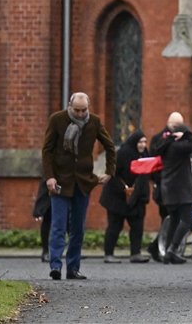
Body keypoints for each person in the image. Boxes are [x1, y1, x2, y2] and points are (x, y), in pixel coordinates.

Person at [42, 92, 116, 280]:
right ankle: (56, 266)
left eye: (84, 110)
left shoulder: (95, 122)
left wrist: (109, 172)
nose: (81, 114)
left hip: (83, 182)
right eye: (77, 110)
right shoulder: (57, 120)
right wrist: (49, 177)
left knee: (78, 227)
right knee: (58, 225)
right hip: (60, 182)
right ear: (69, 106)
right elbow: (47, 150)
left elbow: (109, 146)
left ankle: (73, 268)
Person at [99, 130, 151, 263]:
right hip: (117, 197)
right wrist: (124, 189)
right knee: (115, 226)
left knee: (137, 226)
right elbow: (112, 173)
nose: (142, 145)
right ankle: (108, 254)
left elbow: (146, 175)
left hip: (136, 197)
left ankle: (135, 253)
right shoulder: (123, 153)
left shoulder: (145, 154)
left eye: (144, 142)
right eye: (140, 142)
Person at [151, 113, 192, 264]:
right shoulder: (180, 146)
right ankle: (172, 249)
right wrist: (186, 133)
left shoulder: (164, 144)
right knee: (186, 219)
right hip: (182, 189)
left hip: (168, 188)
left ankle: (168, 253)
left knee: (174, 220)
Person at [33, 179, 52, 263]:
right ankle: (45, 251)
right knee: (47, 219)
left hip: (64, 186)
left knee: (68, 222)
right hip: (50, 187)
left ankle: (74, 251)